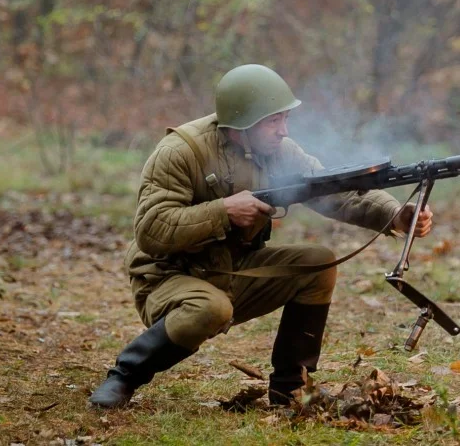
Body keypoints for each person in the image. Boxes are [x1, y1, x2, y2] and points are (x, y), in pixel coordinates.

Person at [89, 64, 433, 408]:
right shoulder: (180, 152)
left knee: (317, 264)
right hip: (169, 276)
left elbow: (334, 191)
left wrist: (396, 214)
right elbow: (151, 230)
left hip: (232, 269)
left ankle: (290, 390)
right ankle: (124, 377)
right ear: (241, 125)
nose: (283, 131)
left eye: (285, 119)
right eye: (273, 121)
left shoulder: (280, 152)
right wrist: (223, 211)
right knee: (209, 309)